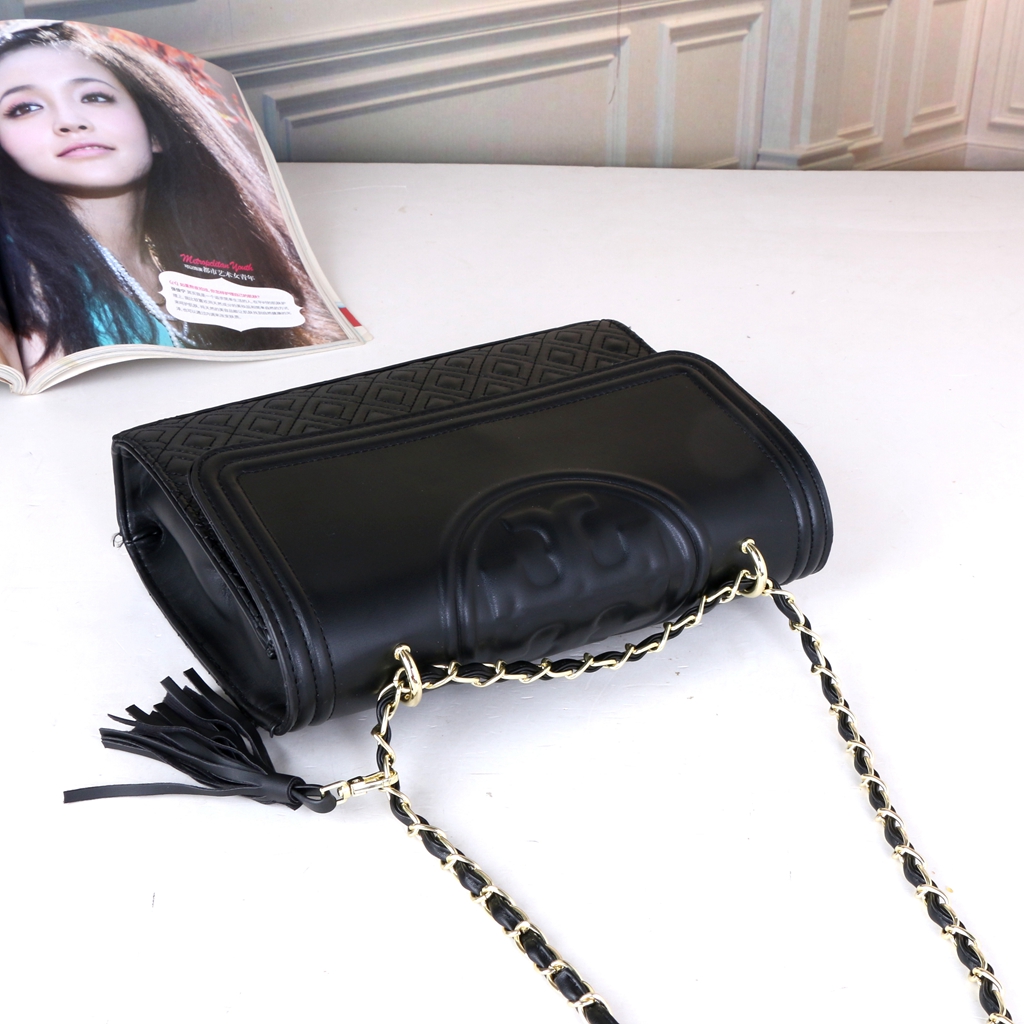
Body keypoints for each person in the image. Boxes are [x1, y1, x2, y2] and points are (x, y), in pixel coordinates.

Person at [0, 21, 337, 376]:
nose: (69, 121)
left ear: (155, 133)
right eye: (25, 108)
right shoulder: (17, 277)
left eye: (94, 97)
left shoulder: (210, 254)